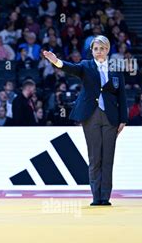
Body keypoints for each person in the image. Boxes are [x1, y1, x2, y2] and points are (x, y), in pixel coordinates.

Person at [43, 35, 127, 206]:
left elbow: (122, 97)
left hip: (112, 117)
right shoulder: (85, 66)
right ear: (92, 50)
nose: (99, 51)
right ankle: (96, 197)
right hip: (91, 116)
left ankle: (106, 197)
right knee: (95, 156)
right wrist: (56, 61)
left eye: (102, 48)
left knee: (108, 157)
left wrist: (123, 120)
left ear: (108, 50)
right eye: (96, 48)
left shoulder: (116, 71)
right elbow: (70, 68)